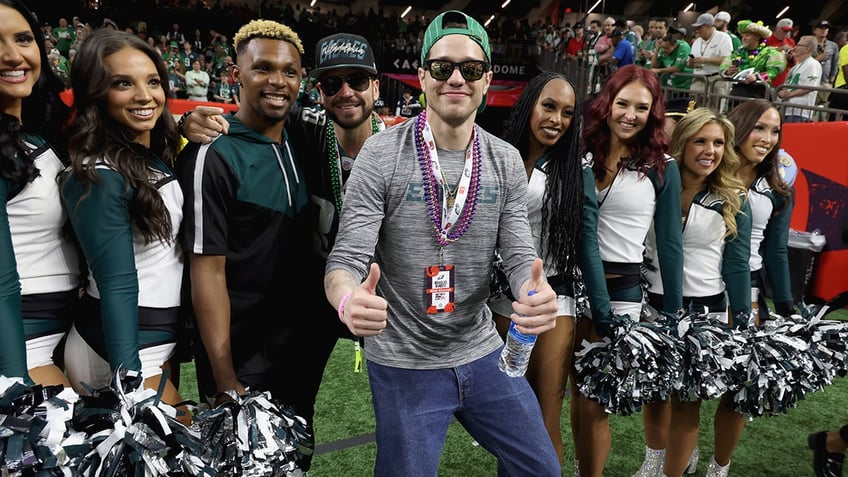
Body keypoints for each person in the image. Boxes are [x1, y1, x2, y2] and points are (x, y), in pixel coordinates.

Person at [323, 10, 561, 475]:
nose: (456, 78)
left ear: (487, 79)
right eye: (442, 67)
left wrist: (533, 291)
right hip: (403, 359)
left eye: (470, 69)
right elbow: (347, 257)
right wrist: (347, 298)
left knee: (541, 468)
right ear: (421, 76)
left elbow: (517, 254)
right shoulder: (382, 152)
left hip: (481, 349)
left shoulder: (505, 159)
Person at [180, 32, 388, 451]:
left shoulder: (402, 148)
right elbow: (206, 270)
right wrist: (181, 122)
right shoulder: (300, 131)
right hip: (248, 338)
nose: (346, 92)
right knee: (241, 454)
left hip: (313, 324)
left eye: (358, 81)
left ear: (377, 86)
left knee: (297, 439)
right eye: (332, 83)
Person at [175, 14, 312, 439]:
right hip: (240, 354)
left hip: (296, 345)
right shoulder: (212, 154)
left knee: (294, 457)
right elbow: (206, 272)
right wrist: (224, 380)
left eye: (290, 72)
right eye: (263, 68)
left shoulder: (299, 137)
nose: (278, 81)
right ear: (236, 74)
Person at [59, 28, 187, 416]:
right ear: (96, 92)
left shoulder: (146, 154)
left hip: (155, 342)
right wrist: (128, 382)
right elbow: (117, 283)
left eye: (152, 81)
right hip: (118, 348)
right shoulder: (97, 174)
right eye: (122, 84)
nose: (144, 95)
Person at [488, 71, 611, 466]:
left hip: (553, 303)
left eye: (568, 113)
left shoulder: (577, 170)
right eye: (549, 106)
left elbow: (587, 244)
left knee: (543, 417)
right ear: (529, 106)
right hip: (495, 302)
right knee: (508, 420)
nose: (557, 119)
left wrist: (604, 313)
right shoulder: (494, 153)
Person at [574, 64, 684, 477]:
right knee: (572, 393)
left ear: (653, 112)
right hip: (569, 283)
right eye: (623, 103)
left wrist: (673, 312)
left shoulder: (662, 167)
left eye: (642, 107)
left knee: (594, 399)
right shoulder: (581, 152)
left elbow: (669, 243)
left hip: (621, 291)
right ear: (607, 103)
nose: (630, 114)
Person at [651, 107, 752, 477]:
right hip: (651, 307)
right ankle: (657, 460)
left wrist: (744, 324)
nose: (710, 150)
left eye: (719, 143)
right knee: (657, 394)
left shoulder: (733, 198)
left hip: (703, 313)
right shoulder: (654, 185)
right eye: (701, 141)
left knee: (687, 402)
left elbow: (738, 266)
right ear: (681, 144)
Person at [0, 0, 77, 387]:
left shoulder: (38, 128)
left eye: (23, 39)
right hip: (22, 348)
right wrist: (13, 384)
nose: (13, 56)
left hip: (63, 334)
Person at [729, 99, 795, 325]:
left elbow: (776, 250)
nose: (768, 139)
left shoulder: (778, 190)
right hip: (702, 283)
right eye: (759, 128)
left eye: (775, 131)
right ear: (739, 126)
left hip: (749, 285)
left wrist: (786, 306)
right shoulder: (708, 175)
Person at [719, 20, 787, 100]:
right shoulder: (737, 53)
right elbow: (723, 70)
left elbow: (773, 72)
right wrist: (728, 72)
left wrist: (757, 77)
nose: (743, 38)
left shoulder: (770, 52)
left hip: (758, 95)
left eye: (747, 35)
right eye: (742, 36)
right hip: (737, 94)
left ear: (757, 37)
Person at [777, 35, 822, 122]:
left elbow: (809, 87)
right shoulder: (797, 66)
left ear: (807, 49)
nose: (795, 48)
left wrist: (788, 95)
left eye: (799, 45)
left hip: (800, 112)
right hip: (788, 110)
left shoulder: (812, 64)